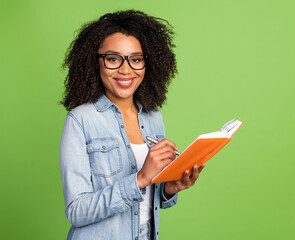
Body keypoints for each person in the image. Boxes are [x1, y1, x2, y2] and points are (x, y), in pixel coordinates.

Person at [59, 10, 205, 240]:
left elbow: (146, 204)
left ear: (148, 64)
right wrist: (140, 179)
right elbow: (76, 211)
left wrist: (169, 189)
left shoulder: (153, 118)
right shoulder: (80, 120)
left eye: (136, 59)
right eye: (113, 59)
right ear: (95, 62)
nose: (126, 70)